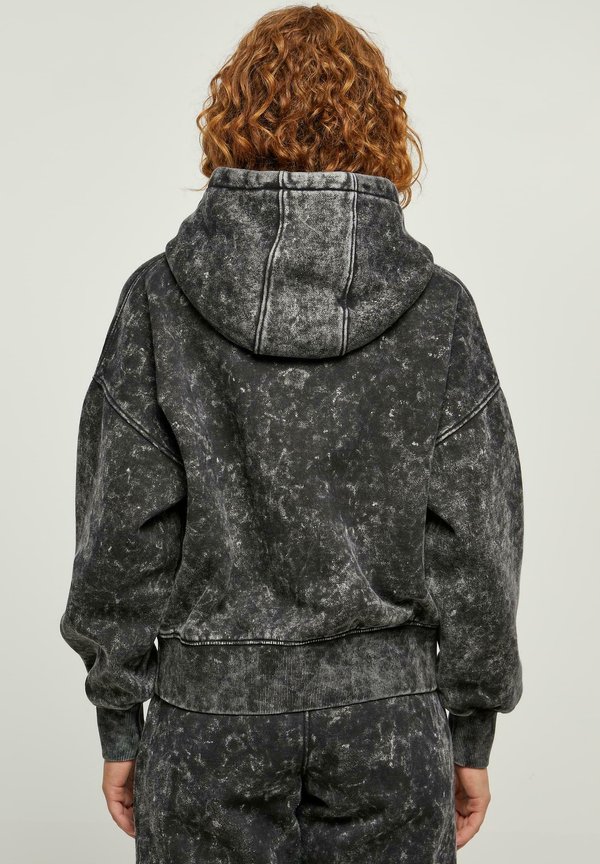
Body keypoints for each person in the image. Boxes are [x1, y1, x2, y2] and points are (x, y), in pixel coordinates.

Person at [59, 5, 524, 863]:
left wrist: (119, 719)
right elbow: (475, 544)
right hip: (387, 721)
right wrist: (472, 733)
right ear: (380, 128)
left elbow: (122, 530)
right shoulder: (439, 311)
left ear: (231, 119)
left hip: (208, 718)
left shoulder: (159, 298)